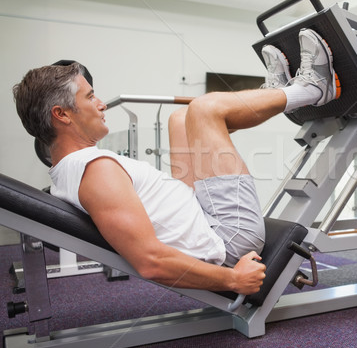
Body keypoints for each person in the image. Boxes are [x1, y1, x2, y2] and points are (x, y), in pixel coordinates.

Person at [12, 29, 340, 296]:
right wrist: (234, 280)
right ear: (62, 115)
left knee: (180, 119)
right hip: (227, 238)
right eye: (89, 97)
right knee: (204, 109)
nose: (100, 104)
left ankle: (275, 93)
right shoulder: (94, 171)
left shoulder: (69, 168)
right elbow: (150, 261)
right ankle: (312, 89)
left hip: (200, 215)